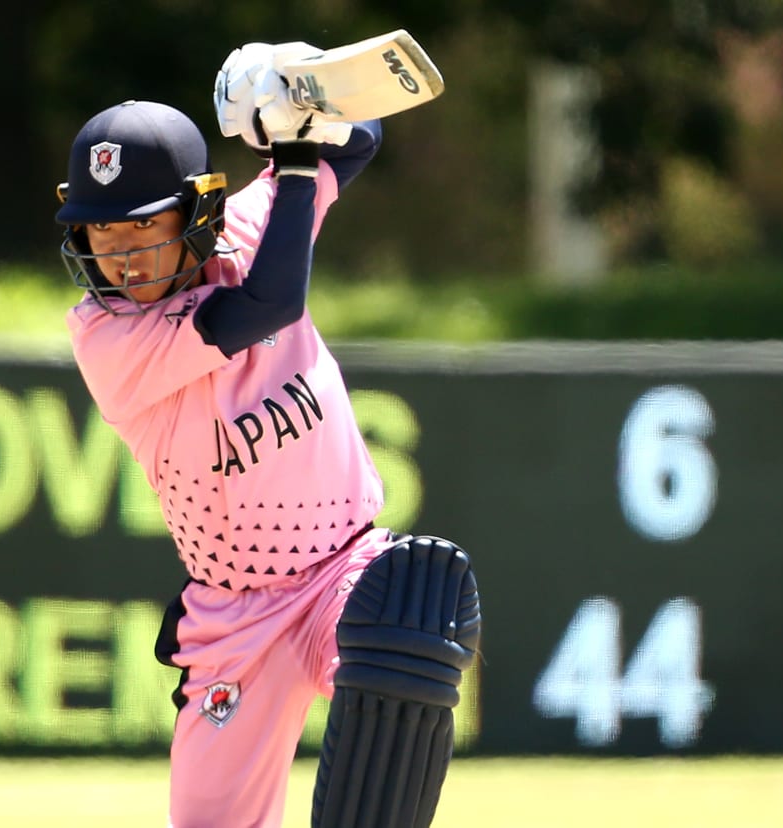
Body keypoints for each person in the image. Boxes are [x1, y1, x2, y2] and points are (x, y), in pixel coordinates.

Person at [52, 44, 482, 828]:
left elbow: (363, 139)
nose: (121, 261)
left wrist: (287, 92)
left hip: (344, 569)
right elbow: (269, 305)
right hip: (236, 617)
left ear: (199, 213)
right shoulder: (105, 337)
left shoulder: (249, 227)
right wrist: (289, 151)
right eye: (101, 237)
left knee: (408, 618)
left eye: (143, 231)